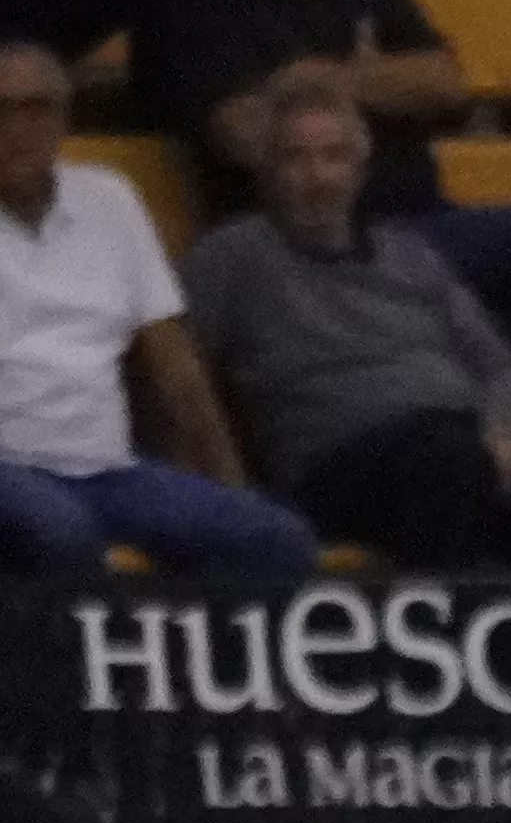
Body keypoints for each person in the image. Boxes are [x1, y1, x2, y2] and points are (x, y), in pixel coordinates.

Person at [180, 70, 511, 562]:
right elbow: (182, 375)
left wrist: (504, 432)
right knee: (448, 462)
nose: (317, 177)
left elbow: (504, 370)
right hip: (340, 462)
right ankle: (459, 627)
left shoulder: (412, 256)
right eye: (295, 158)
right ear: (264, 169)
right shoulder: (232, 254)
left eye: (334, 157)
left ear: (360, 171)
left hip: (468, 441)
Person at [0, 35, 301, 580]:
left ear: (65, 118)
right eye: (2, 109)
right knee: (62, 534)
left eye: (36, 108)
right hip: (10, 467)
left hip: (107, 470)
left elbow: (177, 367)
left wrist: (232, 488)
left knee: (272, 537)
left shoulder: (110, 199)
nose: (18, 126)